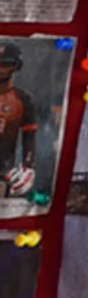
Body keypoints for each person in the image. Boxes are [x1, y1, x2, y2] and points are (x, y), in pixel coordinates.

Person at [0, 45, 39, 200]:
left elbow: (29, 136)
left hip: (3, 174)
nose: (0, 69)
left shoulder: (23, 100)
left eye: (5, 64)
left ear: (16, 66)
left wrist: (28, 167)